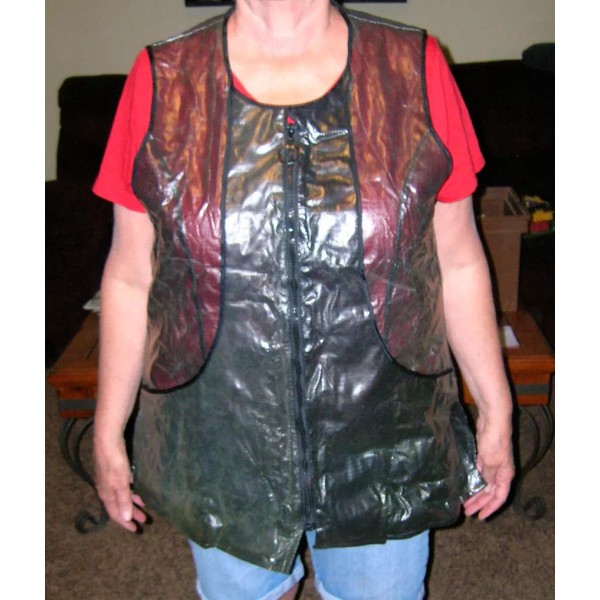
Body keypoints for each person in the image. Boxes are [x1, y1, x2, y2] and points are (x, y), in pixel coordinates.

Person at [92, 1, 514, 598]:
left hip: (383, 435)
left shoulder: (413, 67)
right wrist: (108, 428)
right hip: (222, 438)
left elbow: (459, 258)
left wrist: (496, 407)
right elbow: (132, 275)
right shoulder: (164, 79)